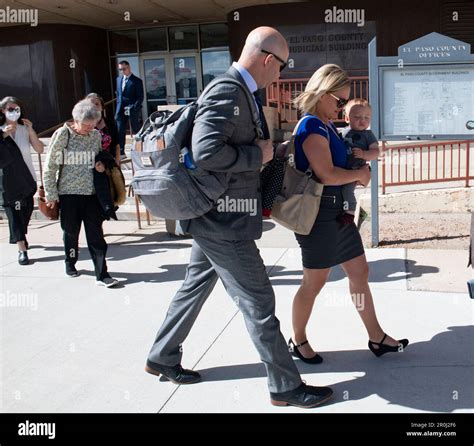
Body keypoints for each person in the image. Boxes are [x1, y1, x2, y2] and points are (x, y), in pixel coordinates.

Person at [145, 27, 333, 409]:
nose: (280, 75)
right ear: (268, 59)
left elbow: (233, 146)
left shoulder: (239, 91)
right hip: (223, 220)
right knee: (258, 301)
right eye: (281, 67)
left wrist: (273, 150)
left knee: (194, 286)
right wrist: (258, 156)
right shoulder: (228, 90)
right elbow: (206, 151)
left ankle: (162, 355)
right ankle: (285, 386)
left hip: (217, 217)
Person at [289, 64, 408, 363]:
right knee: (313, 283)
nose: (341, 108)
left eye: (344, 102)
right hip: (318, 217)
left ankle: (376, 337)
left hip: (339, 214)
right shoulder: (311, 126)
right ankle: (298, 339)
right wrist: (360, 176)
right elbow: (327, 174)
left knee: (359, 273)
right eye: (338, 101)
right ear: (321, 92)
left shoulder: (327, 126)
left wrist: (361, 171)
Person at [43, 99, 119, 288]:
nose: (90, 129)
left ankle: (102, 274)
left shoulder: (94, 135)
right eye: (86, 125)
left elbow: (99, 155)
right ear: (75, 120)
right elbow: (50, 165)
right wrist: (51, 194)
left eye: (93, 125)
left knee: (96, 236)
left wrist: (101, 165)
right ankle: (70, 262)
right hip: (68, 194)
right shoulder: (63, 134)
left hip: (92, 193)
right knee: (71, 232)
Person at [0, 96, 44, 265]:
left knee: (24, 213)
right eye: (9, 109)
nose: (13, 111)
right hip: (8, 181)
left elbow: (40, 149)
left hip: (28, 179)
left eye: (16, 108)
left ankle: (20, 235)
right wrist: (5, 134)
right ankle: (21, 248)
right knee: (14, 215)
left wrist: (31, 130)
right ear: (3, 111)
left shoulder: (24, 129)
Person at [339, 98, 380, 224]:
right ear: (347, 118)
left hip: (357, 169)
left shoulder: (368, 135)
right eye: (357, 117)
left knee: (347, 190)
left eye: (367, 117)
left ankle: (350, 214)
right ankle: (358, 212)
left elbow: (375, 152)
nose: (362, 120)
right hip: (343, 168)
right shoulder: (342, 132)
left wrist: (363, 154)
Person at [115, 61, 143, 160]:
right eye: (120, 69)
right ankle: (122, 152)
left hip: (132, 109)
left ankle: (141, 149)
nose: (123, 71)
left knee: (136, 129)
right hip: (120, 110)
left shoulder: (137, 81)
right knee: (120, 131)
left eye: (124, 68)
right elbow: (119, 95)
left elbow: (140, 97)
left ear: (129, 67)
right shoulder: (118, 79)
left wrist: (133, 107)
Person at [86, 93, 120, 165]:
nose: (94, 107)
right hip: (91, 165)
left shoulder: (110, 123)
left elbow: (116, 145)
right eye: (91, 105)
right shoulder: (84, 126)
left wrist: (117, 161)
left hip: (108, 162)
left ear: (102, 107)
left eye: (97, 104)